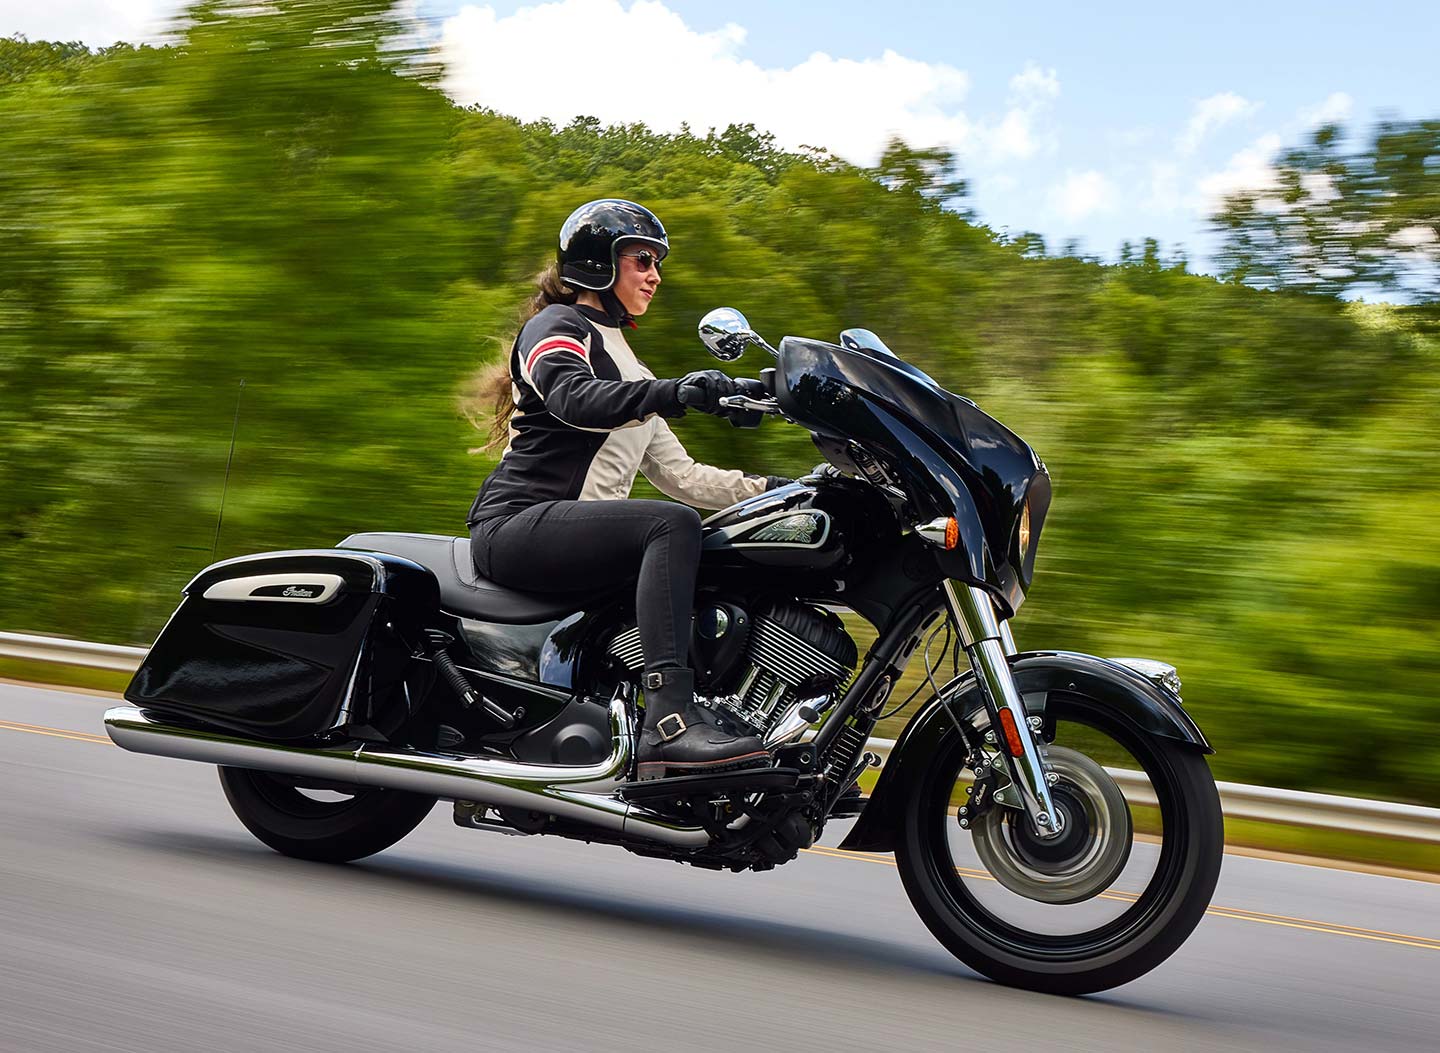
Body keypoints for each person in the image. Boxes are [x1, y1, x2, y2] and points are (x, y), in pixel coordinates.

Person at [466, 199, 788, 781]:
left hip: (576, 535)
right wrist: (676, 393)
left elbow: (683, 476)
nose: (656, 274)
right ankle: (670, 723)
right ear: (598, 263)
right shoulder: (558, 327)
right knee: (671, 525)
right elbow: (572, 398)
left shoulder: (632, 370)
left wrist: (781, 489)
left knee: (717, 541)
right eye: (643, 259)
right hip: (519, 523)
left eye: (658, 262)